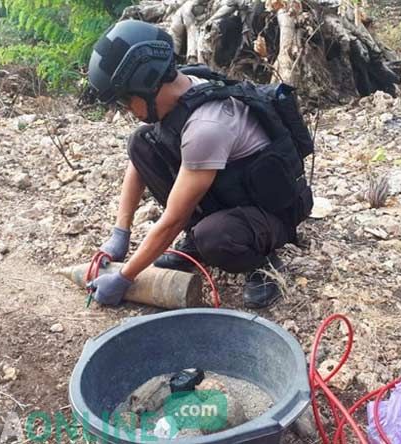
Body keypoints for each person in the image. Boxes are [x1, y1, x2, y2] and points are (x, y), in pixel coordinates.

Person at [85, 19, 313, 309]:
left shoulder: (206, 126)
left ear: (147, 85)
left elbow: (173, 220)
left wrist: (125, 277)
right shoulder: (181, 88)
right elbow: (138, 163)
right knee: (141, 142)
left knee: (214, 237)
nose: (127, 111)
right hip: (228, 192)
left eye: (127, 102)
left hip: (271, 211)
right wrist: (121, 233)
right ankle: (200, 238)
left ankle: (262, 261)